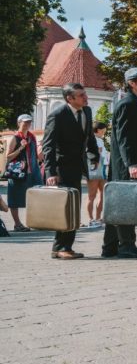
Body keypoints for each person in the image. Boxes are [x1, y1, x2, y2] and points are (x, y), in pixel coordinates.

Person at [41, 83, 99, 259]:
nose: (86, 98)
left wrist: (94, 155)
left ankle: (67, 246)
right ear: (70, 98)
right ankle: (60, 247)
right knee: (65, 208)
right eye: (81, 95)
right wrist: (51, 173)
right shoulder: (57, 115)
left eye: (85, 94)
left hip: (77, 166)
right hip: (61, 168)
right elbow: (48, 145)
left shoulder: (87, 112)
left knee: (74, 207)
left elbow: (89, 136)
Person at [103, 67, 137, 258]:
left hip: (131, 163)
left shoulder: (135, 103)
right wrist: (131, 163)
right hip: (127, 165)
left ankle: (109, 247)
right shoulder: (127, 105)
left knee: (117, 204)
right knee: (126, 204)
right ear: (132, 83)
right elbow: (124, 138)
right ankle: (126, 245)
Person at [5, 114, 43, 232]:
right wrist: (21, 148)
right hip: (18, 173)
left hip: (33, 172)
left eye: (29, 122)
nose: (27, 124)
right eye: (25, 122)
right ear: (19, 123)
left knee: (36, 197)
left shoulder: (32, 136)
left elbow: (35, 156)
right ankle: (17, 224)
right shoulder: (15, 138)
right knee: (15, 198)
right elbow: (8, 157)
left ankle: (35, 221)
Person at [86, 122, 109, 227]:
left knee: (101, 194)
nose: (105, 130)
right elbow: (97, 154)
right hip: (95, 168)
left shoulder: (100, 140)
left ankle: (98, 218)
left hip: (102, 168)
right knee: (92, 195)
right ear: (98, 129)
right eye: (103, 129)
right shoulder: (94, 139)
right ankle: (92, 219)